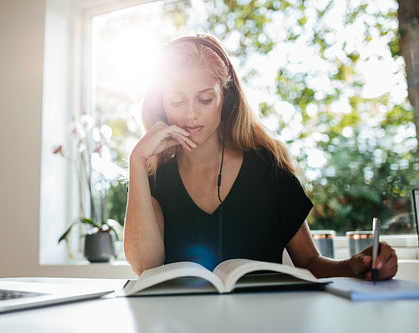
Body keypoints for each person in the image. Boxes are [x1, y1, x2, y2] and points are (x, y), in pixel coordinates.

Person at [124, 33, 398, 280]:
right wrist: (136, 161)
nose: (191, 114)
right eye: (177, 101)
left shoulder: (268, 168)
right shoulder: (154, 178)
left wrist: (351, 266)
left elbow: (310, 262)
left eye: (205, 99)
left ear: (226, 97)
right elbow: (145, 267)